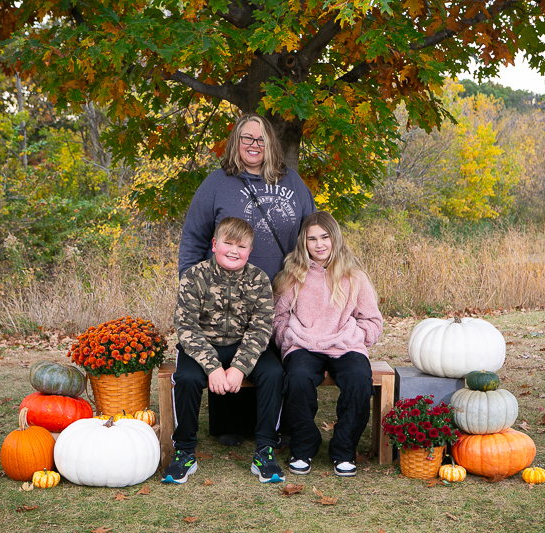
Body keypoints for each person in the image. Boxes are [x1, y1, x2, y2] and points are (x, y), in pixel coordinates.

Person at [178, 113, 316, 445]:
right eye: (247, 138)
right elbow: (194, 237)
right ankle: (232, 426)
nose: (254, 145)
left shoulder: (292, 182)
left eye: (261, 139)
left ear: (271, 144)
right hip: (225, 295)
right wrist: (190, 283)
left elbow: (311, 232)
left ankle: (279, 428)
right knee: (229, 344)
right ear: (236, 142)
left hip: (283, 292)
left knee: (275, 360)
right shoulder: (217, 183)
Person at [163, 217, 285, 484]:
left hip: (243, 345)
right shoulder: (194, 277)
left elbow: (261, 328)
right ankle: (185, 451)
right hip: (202, 346)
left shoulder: (259, 279)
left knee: (274, 373)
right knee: (186, 378)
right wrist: (213, 367)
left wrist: (240, 367)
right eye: (228, 243)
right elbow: (186, 326)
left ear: (249, 250)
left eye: (241, 246)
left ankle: (265, 450)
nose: (234, 251)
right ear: (214, 244)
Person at [272, 211, 383, 477]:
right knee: (297, 379)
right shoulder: (293, 275)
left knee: (359, 380)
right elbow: (277, 316)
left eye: (324, 237)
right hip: (303, 344)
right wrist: (287, 336)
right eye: (312, 239)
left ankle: (344, 450)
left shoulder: (354, 276)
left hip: (345, 345)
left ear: (335, 238)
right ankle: (304, 446)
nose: (319, 244)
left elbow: (372, 320)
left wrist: (356, 335)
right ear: (304, 242)